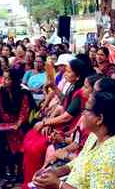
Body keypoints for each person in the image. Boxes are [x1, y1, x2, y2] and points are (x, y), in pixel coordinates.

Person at [31, 92, 115, 189]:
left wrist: (59, 185)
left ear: (99, 119)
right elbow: (80, 161)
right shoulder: (95, 136)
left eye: (85, 110)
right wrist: (56, 172)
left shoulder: (112, 155)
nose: (82, 114)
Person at [22, 58, 89, 189]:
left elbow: (66, 117)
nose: (65, 74)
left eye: (69, 72)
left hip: (66, 128)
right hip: (66, 129)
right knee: (31, 137)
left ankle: (38, 181)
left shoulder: (81, 92)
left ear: (78, 76)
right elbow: (65, 101)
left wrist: (46, 122)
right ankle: (32, 179)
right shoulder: (73, 86)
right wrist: (54, 87)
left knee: (36, 146)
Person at [0, 69, 35, 187]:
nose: (4, 81)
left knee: (17, 134)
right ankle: (7, 170)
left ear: (14, 80)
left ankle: (19, 171)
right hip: (4, 123)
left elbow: (24, 112)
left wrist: (17, 125)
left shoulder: (23, 92)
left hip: (21, 123)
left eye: (7, 79)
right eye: (3, 78)